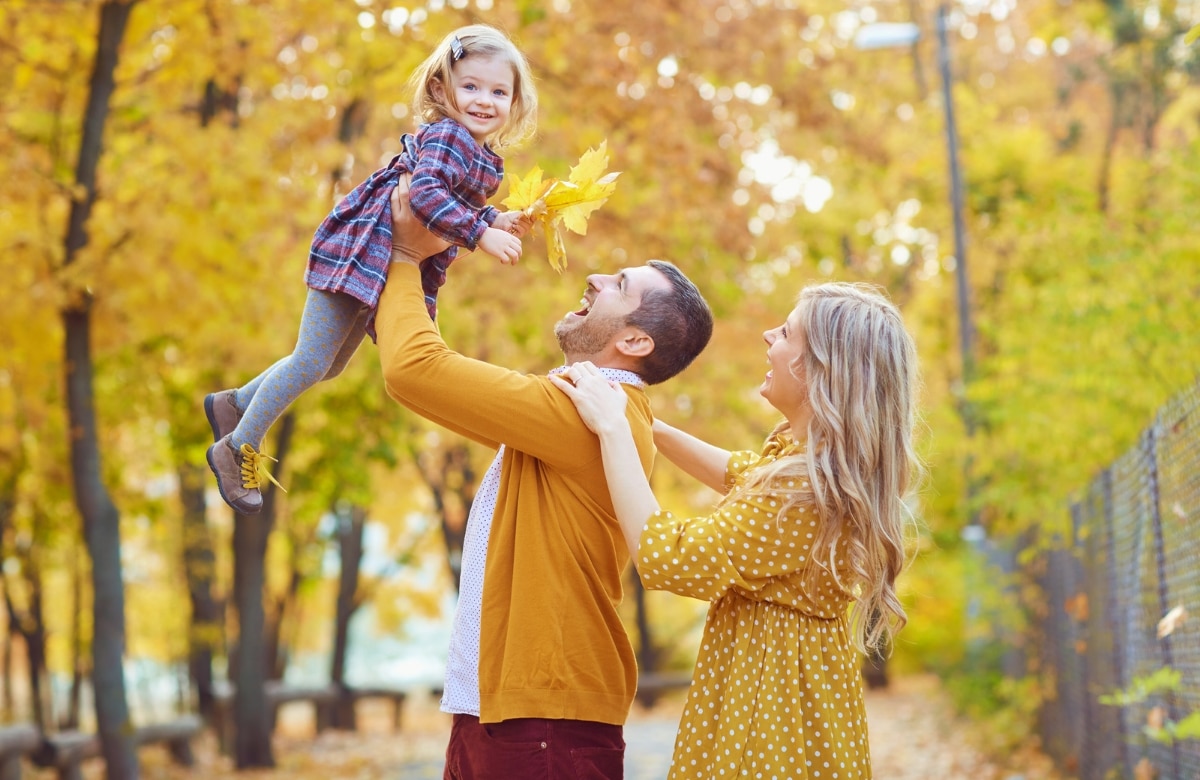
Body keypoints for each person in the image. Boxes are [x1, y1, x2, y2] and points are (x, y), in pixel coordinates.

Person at [377, 181, 713, 779]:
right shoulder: (586, 409)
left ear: (633, 341)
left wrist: (405, 257)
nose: (596, 280)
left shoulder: (587, 411)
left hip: (543, 726)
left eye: (619, 286)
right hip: (508, 714)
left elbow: (415, 370)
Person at [550, 282, 921, 780]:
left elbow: (667, 559)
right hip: (794, 707)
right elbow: (739, 473)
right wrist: (642, 420)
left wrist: (616, 432)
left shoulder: (804, 491)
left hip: (771, 721)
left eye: (787, 332)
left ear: (820, 370)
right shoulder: (809, 469)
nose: (769, 336)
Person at [204, 24, 537, 513]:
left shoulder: (480, 153)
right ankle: (236, 447)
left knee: (330, 364)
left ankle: (233, 404)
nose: (484, 100)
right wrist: (480, 234)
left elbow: (455, 198)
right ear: (442, 90)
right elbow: (426, 196)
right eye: (471, 87)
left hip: (376, 261)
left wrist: (494, 218)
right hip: (360, 251)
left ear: (515, 101)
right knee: (312, 360)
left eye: (498, 91)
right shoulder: (449, 135)